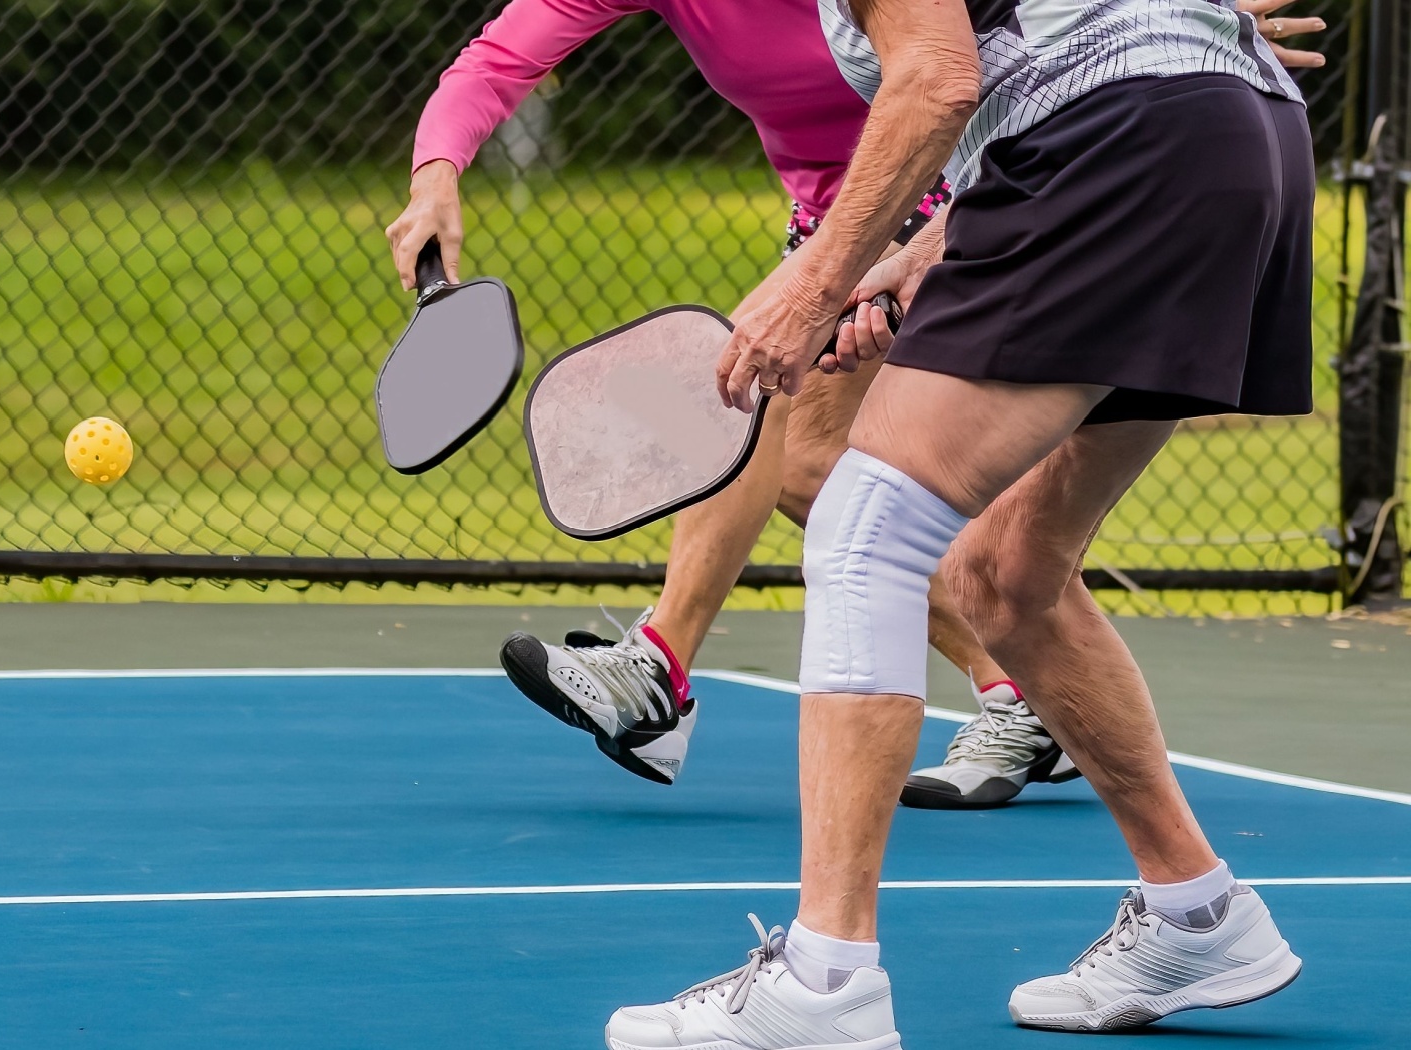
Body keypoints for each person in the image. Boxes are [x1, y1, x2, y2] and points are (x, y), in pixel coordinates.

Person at [387, 0, 1323, 806]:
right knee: (812, 469)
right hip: (839, 217)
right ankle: (1016, 689)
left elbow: (973, 58)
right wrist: (436, 178)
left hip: (981, 181)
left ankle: (663, 673)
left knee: (788, 438)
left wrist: (1177, 29)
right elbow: (499, 58)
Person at [602, 0, 1314, 1041]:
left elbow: (938, 79)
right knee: (1006, 576)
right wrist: (920, 251)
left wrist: (815, 281)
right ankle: (1198, 914)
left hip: (1125, 143)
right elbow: (1029, 65)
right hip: (1231, 136)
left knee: (863, 528)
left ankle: (824, 985)